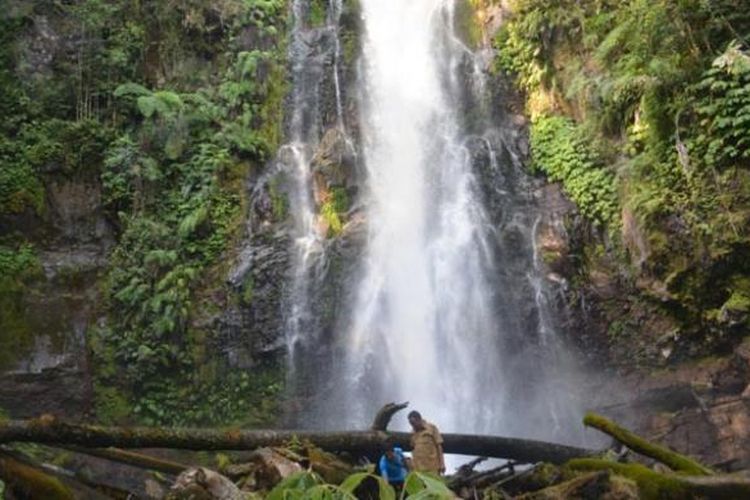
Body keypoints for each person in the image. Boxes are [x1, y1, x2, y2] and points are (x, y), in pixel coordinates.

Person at [408, 410, 445, 475]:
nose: (413, 426)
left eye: (413, 423)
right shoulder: (412, 433)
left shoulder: (432, 428)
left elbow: (439, 446)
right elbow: (413, 449)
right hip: (419, 469)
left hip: (432, 467)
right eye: (411, 424)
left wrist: (442, 464)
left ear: (419, 419)